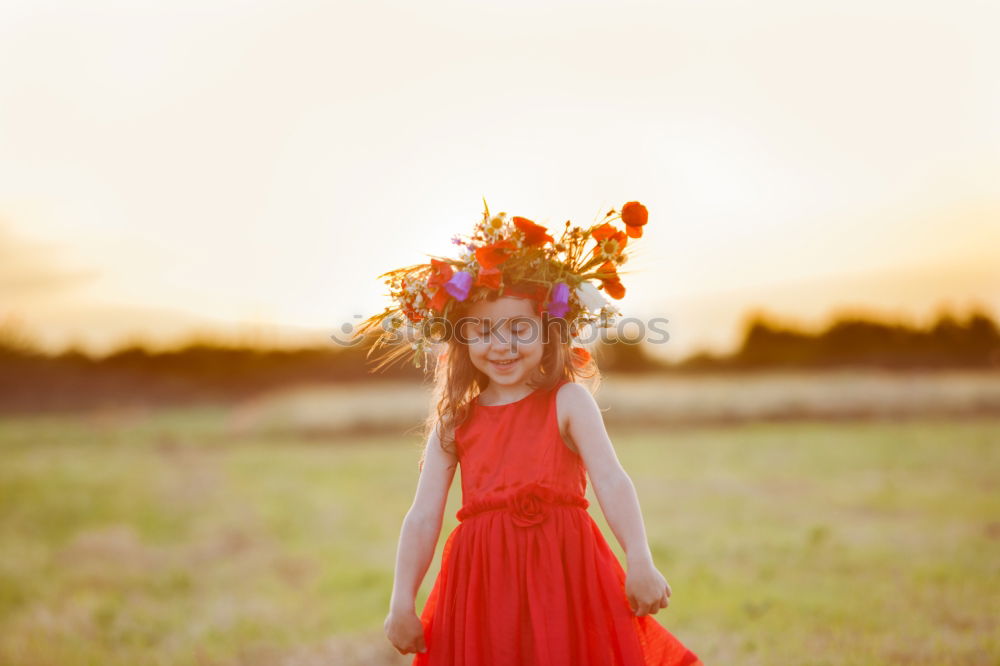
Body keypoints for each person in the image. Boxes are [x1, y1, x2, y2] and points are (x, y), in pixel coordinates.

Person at [355, 200, 703, 664]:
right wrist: (402, 600)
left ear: (547, 333)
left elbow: (612, 480)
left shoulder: (567, 401)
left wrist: (639, 558)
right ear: (462, 340)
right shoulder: (455, 420)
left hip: (566, 574)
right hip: (482, 587)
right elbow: (422, 517)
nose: (501, 345)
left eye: (519, 327)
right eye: (482, 331)